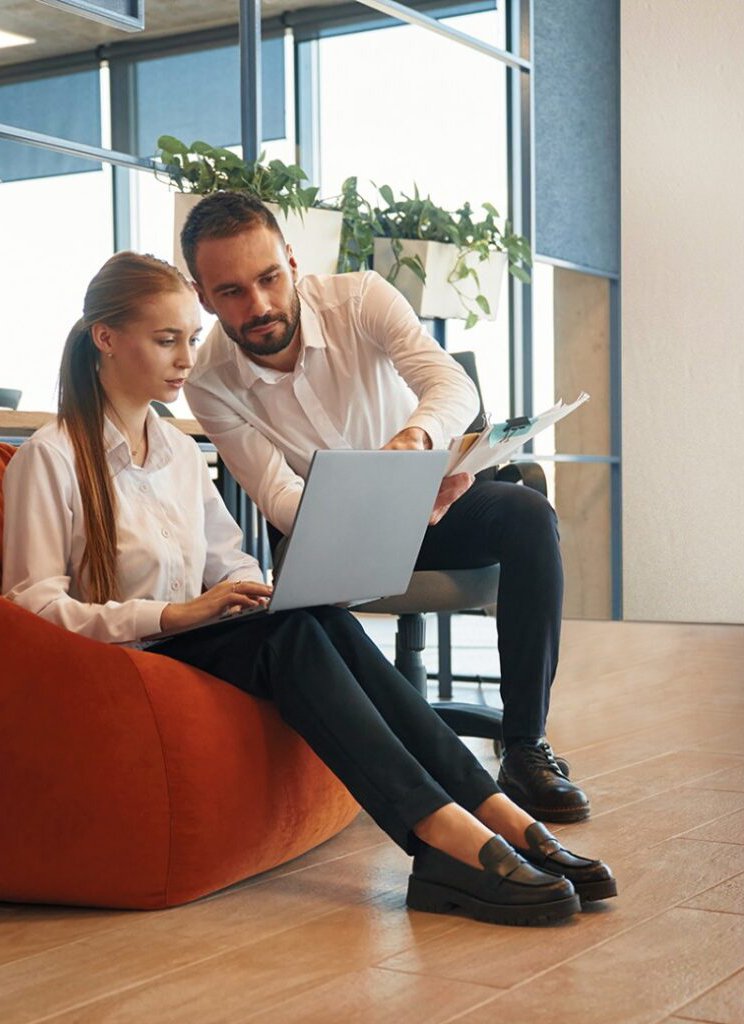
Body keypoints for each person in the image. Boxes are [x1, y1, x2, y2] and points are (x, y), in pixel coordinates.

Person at [1, 252, 616, 927]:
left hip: (191, 637)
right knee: (291, 637)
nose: (186, 359)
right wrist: (175, 613)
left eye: (192, 339)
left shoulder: (179, 453)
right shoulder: (50, 458)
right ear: (107, 338)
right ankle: (442, 836)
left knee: (315, 617)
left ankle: (495, 812)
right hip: (135, 657)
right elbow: (33, 611)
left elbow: (230, 560)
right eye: (166, 340)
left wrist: (248, 591)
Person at [180, 191, 590, 824]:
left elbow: (451, 384)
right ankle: (378, 768)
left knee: (528, 514)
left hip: (432, 506)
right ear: (203, 297)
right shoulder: (208, 380)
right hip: (325, 526)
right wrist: (365, 513)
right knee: (289, 610)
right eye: (231, 292)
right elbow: (276, 493)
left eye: (269, 278)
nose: (258, 305)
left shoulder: (360, 298)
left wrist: (414, 439)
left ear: (292, 262)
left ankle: (525, 746)